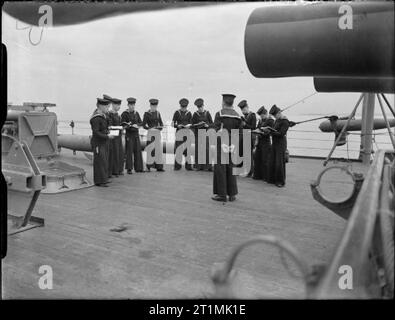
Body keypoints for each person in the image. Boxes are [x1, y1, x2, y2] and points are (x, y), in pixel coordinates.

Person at [212, 94, 242, 202]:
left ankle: (222, 194)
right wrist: (233, 144)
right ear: (232, 103)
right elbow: (239, 132)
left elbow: (215, 129)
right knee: (231, 167)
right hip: (232, 144)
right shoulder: (238, 116)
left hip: (222, 143)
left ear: (223, 102)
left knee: (221, 168)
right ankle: (232, 194)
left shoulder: (219, 114)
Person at [90, 98, 113, 187]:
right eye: (107, 107)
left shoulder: (103, 116)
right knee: (99, 161)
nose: (108, 108)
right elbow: (96, 132)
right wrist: (107, 136)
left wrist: (108, 131)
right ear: (101, 106)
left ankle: (104, 179)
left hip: (104, 142)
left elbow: (104, 128)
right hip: (98, 143)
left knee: (104, 160)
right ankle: (99, 181)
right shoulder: (96, 118)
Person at [268, 105, 290, 187]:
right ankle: (273, 179)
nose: (274, 117)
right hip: (275, 143)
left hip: (281, 143)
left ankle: (280, 181)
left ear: (279, 113)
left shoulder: (285, 121)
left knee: (279, 163)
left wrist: (271, 132)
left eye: (275, 115)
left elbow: (281, 133)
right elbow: (274, 129)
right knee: (273, 161)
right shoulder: (276, 121)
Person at [121, 97, 144, 174]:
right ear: (128, 105)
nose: (132, 106)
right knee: (129, 151)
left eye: (133, 105)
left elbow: (141, 122)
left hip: (136, 134)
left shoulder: (136, 113)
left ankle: (139, 168)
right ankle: (129, 169)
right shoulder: (124, 114)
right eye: (131, 105)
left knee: (138, 151)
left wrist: (137, 125)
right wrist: (129, 125)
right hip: (129, 134)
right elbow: (122, 124)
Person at [252, 106, 274, 181]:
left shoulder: (270, 121)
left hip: (266, 142)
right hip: (260, 142)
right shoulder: (261, 121)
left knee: (265, 160)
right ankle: (257, 175)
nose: (261, 116)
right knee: (257, 158)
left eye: (262, 115)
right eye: (260, 115)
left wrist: (261, 132)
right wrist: (256, 131)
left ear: (265, 113)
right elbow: (258, 127)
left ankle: (266, 176)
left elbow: (270, 132)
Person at [142, 99, 165, 172]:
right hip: (150, 133)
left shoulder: (158, 113)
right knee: (150, 149)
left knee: (158, 150)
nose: (154, 107)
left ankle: (159, 167)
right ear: (150, 105)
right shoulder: (146, 113)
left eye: (155, 106)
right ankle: (148, 167)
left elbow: (161, 124)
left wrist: (159, 128)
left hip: (157, 133)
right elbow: (143, 125)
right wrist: (149, 129)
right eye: (153, 106)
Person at [192, 98, 213, 171]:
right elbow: (192, 124)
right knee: (198, 150)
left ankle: (208, 166)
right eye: (198, 107)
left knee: (207, 150)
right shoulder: (195, 114)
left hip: (206, 133)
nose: (200, 109)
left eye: (201, 107)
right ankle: (198, 166)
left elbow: (212, 123)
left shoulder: (207, 113)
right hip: (198, 133)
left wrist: (208, 125)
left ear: (203, 106)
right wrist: (198, 124)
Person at [172, 98, 193, 171]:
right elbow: (173, 123)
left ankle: (188, 166)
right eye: (182, 107)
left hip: (187, 132)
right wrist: (177, 126)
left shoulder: (189, 113)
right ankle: (177, 166)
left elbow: (192, 123)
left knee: (188, 149)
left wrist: (189, 125)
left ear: (186, 107)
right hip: (179, 132)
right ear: (180, 106)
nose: (183, 109)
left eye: (185, 107)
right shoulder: (177, 113)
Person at [238, 100, 256, 177]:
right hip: (244, 137)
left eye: (244, 109)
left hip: (249, 137)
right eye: (242, 110)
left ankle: (249, 172)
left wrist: (245, 124)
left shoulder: (252, 115)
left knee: (248, 155)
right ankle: (245, 170)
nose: (243, 111)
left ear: (247, 107)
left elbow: (253, 127)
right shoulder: (244, 116)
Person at [106, 97, 124, 177]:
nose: (119, 107)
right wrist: (119, 127)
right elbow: (110, 126)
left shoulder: (118, 115)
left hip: (118, 136)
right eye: (117, 105)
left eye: (120, 105)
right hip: (113, 136)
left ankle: (118, 170)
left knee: (119, 153)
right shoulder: (110, 114)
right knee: (113, 153)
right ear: (113, 105)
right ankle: (113, 171)